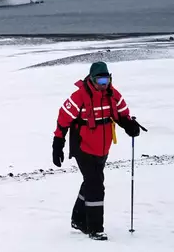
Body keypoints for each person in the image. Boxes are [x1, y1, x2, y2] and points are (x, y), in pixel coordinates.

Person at [52, 62, 141, 241]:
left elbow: (122, 114)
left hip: (102, 147)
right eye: (100, 80)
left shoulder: (112, 95)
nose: (104, 84)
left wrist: (130, 125)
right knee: (95, 185)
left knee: (93, 181)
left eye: (106, 79)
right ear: (92, 80)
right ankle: (95, 228)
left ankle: (78, 219)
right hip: (82, 146)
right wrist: (58, 144)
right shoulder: (78, 97)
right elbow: (63, 119)